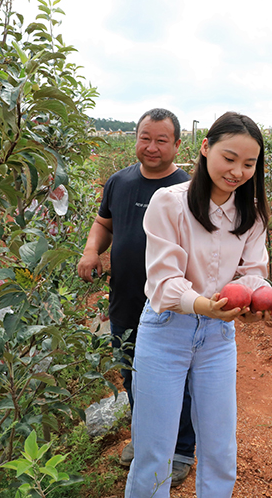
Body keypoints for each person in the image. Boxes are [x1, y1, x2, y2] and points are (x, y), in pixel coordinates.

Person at [123, 111, 271, 498]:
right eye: (229, 158)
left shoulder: (250, 215)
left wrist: (254, 303)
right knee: (155, 450)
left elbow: (253, 273)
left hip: (218, 335)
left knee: (220, 447)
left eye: (249, 163)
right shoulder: (169, 203)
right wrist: (204, 304)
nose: (238, 171)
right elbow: (164, 280)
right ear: (205, 149)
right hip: (166, 330)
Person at [77, 108, 195, 486]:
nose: (152, 147)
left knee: (177, 377)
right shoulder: (119, 182)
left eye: (162, 140)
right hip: (125, 296)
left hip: (170, 303)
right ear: (135, 138)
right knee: (131, 370)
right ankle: (146, 440)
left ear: (178, 144)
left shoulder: (188, 190)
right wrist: (91, 250)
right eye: (145, 137)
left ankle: (180, 449)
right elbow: (104, 223)